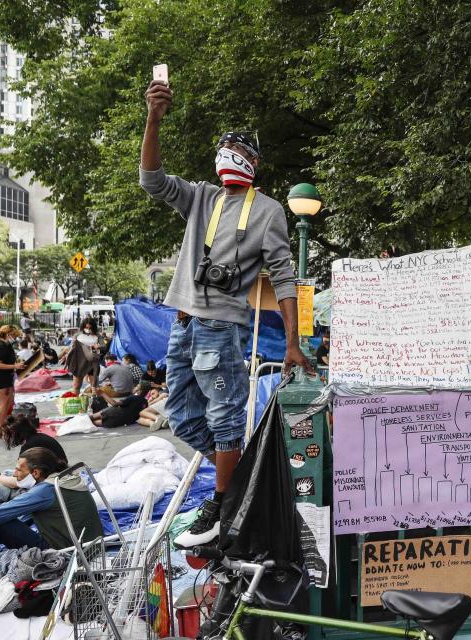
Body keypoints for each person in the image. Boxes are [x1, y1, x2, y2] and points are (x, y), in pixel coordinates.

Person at [141, 78, 314, 548]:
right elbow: (151, 180)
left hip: (221, 326)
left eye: (238, 147)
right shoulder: (201, 197)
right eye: (226, 145)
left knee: (224, 418)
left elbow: (283, 277)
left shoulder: (270, 211)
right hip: (183, 323)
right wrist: (153, 120)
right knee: (181, 415)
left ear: (253, 162)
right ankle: (235, 481)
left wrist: (293, 343)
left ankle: (223, 503)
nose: (228, 151)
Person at [0, 448, 103, 562]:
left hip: (67, 553)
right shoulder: (64, 476)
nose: (15, 474)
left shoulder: (45, 491)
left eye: (18, 470)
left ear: (35, 473)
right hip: (91, 546)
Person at [0, 414, 67, 504]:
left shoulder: (30, 446)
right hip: (55, 477)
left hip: (49, 487)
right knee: (6, 472)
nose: (4, 439)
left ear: (13, 433)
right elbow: (21, 475)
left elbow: (19, 481)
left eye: (5, 435)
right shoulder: (39, 437)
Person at [0, 325, 25, 433]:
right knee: (3, 404)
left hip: (6, 377)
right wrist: (15, 366)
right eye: (14, 335)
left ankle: (2, 426)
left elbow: (6, 361)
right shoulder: (1, 346)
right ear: (8, 334)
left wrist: (17, 365)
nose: (15, 337)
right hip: (0, 378)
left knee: (7, 403)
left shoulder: (6, 345)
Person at [61, 317, 100, 395]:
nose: (88, 329)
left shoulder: (97, 336)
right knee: (76, 385)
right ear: (83, 326)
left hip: (92, 362)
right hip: (79, 362)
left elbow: (102, 347)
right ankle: (76, 403)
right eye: (86, 327)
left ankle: (96, 403)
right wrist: (66, 355)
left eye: (90, 327)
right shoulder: (77, 335)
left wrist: (98, 346)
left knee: (95, 386)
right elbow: (71, 347)